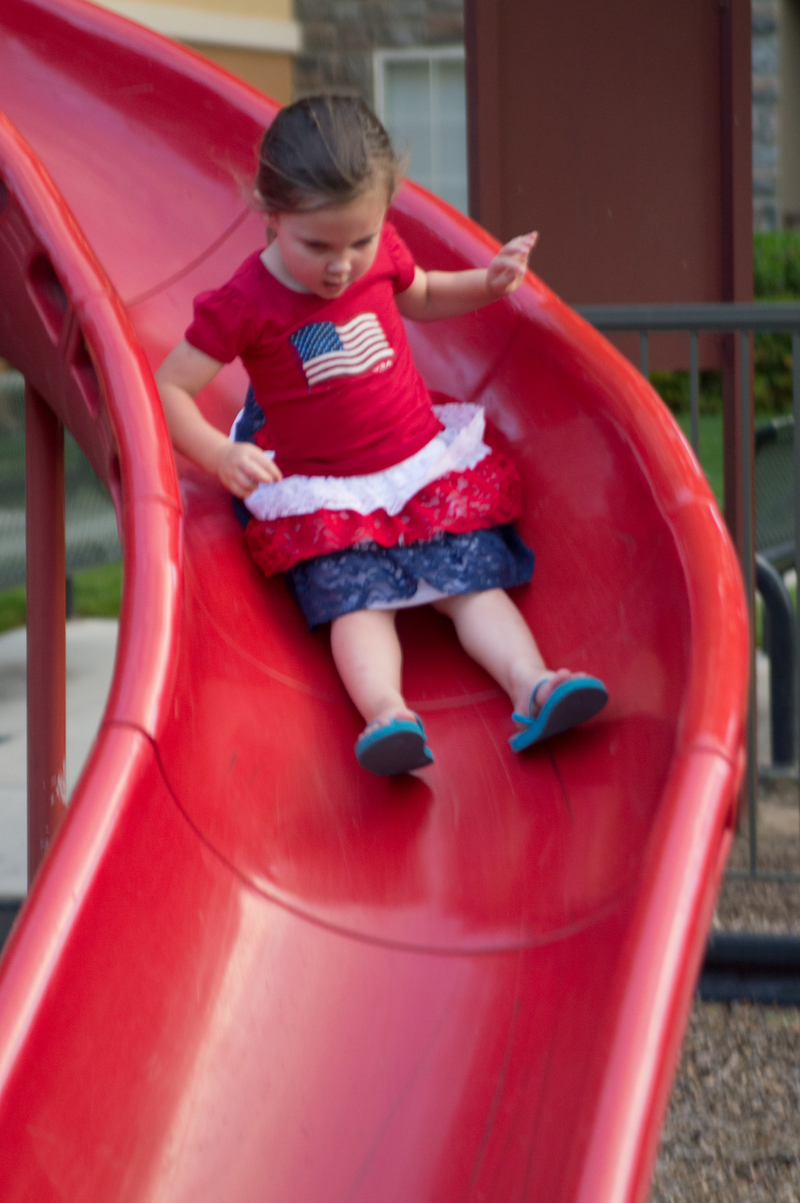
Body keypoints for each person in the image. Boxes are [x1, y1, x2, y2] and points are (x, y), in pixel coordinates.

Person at [155, 95, 607, 776]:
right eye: (317, 246)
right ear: (271, 213)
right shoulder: (246, 301)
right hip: (330, 494)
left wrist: (486, 284)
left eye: (360, 242)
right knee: (359, 607)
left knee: (473, 587)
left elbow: (420, 293)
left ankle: (533, 684)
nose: (342, 265)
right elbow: (169, 386)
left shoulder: (379, 252)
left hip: (417, 464)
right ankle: (388, 715)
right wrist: (220, 453)